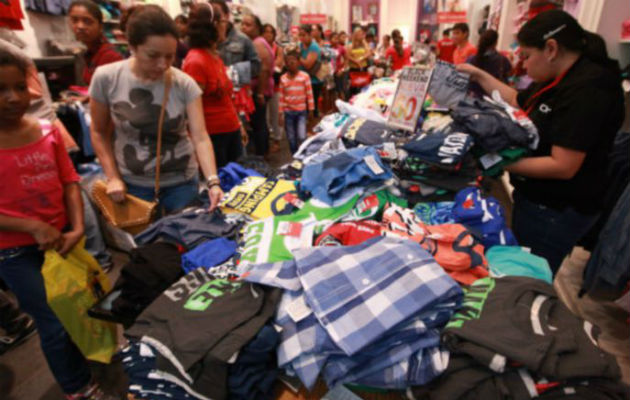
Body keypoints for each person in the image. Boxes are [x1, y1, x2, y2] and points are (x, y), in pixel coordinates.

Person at [457, 10, 625, 273]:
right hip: (538, 200)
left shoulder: (589, 89)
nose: (522, 65)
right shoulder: (560, 78)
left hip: (555, 209)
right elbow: (517, 99)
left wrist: (493, 160)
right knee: (522, 261)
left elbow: (562, 165)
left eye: (526, 56)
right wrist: (477, 75)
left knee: (529, 274)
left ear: (551, 49)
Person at [0, 48, 116, 400]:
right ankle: (77, 387)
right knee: (53, 320)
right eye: (1, 90)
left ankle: (89, 358)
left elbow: (69, 182)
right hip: (15, 253)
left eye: (20, 87)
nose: (13, 98)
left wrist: (78, 227)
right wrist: (32, 227)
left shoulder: (47, 131)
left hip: (65, 240)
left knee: (80, 304)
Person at [89, 5, 223, 214]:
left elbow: (200, 136)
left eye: (170, 56)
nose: (162, 64)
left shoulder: (184, 84)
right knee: (144, 242)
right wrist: (113, 176)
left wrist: (213, 181)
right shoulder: (106, 78)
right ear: (132, 46)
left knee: (183, 241)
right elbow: (98, 132)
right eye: (153, 55)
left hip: (181, 183)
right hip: (132, 184)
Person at [182, 3, 248, 169]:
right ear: (215, 25)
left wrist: (238, 125)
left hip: (229, 131)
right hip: (213, 138)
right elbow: (190, 110)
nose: (227, 25)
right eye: (224, 21)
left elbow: (226, 98)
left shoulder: (214, 57)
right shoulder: (196, 61)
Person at [68, 0, 123, 85]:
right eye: (75, 20)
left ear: (100, 26)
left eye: (87, 21)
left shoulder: (110, 56)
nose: (80, 26)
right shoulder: (91, 52)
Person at [240, 14, 273, 156]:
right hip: (258, 89)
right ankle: (263, 152)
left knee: (258, 124)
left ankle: (261, 155)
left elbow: (264, 69)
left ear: (257, 28)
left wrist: (259, 92)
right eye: (242, 24)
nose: (243, 27)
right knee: (259, 123)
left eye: (248, 25)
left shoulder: (257, 43)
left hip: (260, 90)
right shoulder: (254, 42)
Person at [211, 0, 261, 78]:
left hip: (233, 87)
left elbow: (256, 66)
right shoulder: (204, 39)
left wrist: (232, 71)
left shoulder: (242, 39)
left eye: (217, 17)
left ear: (227, 16)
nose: (214, 22)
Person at [278, 50, 314, 154]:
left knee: (302, 136)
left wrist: (311, 109)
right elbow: (281, 97)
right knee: (291, 138)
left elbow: (309, 94)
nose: (291, 63)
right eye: (288, 61)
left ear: (298, 62)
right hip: (288, 112)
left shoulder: (304, 77)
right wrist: (280, 113)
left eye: (293, 61)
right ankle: (295, 155)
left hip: (301, 111)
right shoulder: (283, 78)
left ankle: (304, 154)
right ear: (286, 63)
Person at [467, 29, 512, 97]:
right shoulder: (503, 60)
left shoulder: (471, 59)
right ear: (496, 42)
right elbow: (509, 74)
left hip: (474, 97)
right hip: (494, 98)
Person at [263, 23, 284, 153]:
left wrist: (265, 66)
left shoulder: (278, 49)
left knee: (275, 114)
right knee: (265, 116)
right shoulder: (259, 47)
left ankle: (277, 139)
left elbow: (278, 64)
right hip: (262, 87)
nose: (267, 34)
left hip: (275, 87)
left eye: (270, 32)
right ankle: (268, 140)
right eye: (265, 32)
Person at [297, 25, 323, 118]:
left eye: (304, 35)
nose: (301, 38)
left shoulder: (314, 47)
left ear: (310, 35)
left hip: (313, 81)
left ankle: (312, 129)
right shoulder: (300, 45)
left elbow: (308, 65)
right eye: (300, 35)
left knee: (312, 108)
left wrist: (297, 56)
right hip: (302, 80)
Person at [347, 26, 372, 96]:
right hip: (353, 69)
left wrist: (361, 59)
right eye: (358, 33)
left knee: (363, 87)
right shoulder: (351, 45)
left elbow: (368, 53)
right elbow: (348, 55)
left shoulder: (364, 44)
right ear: (355, 34)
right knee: (353, 88)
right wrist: (356, 61)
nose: (360, 35)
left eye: (361, 33)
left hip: (363, 68)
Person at [331, 32, 348, 100]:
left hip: (338, 72)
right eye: (334, 38)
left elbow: (346, 60)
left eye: (337, 39)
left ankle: (343, 106)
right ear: (330, 39)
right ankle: (333, 107)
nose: (336, 40)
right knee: (332, 91)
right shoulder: (328, 48)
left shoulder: (341, 48)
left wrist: (342, 70)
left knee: (340, 90)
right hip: (329, 73)